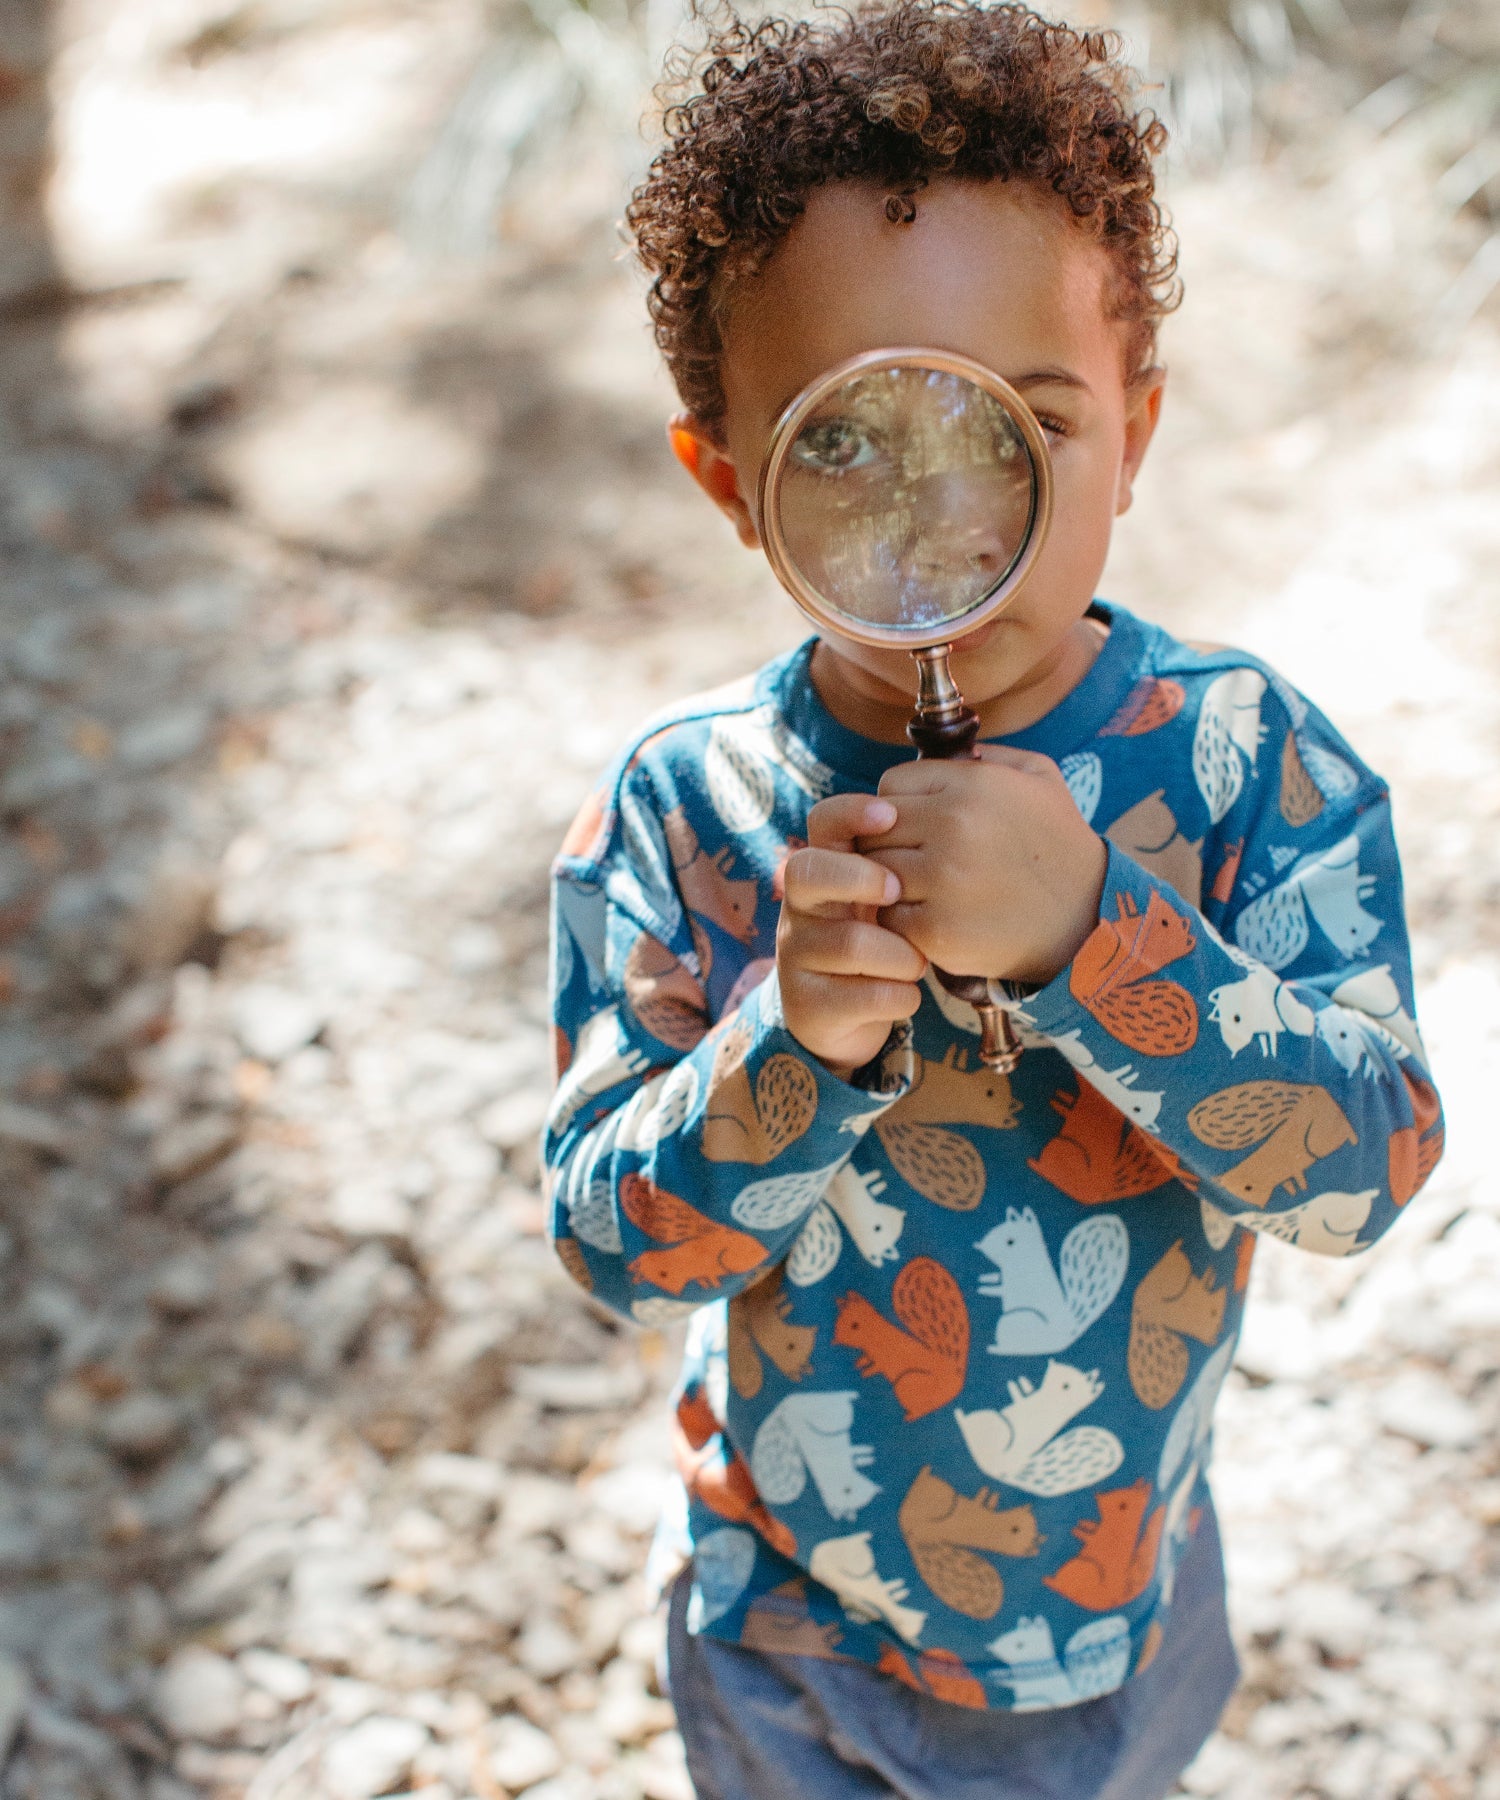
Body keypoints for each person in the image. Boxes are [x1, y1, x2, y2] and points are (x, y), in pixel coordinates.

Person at [541, 6, 1445, 1795]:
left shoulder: (1251, 769)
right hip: (777, 1626)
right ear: (733, 481)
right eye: (851, 450)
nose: (948, 526)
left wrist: (1095, 931)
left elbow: (1364, 1174)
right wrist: (788, 1042)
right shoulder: (687, 808)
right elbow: (614, 1250)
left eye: (1021, 429)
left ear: (1133, 431)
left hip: (1115, 1624)